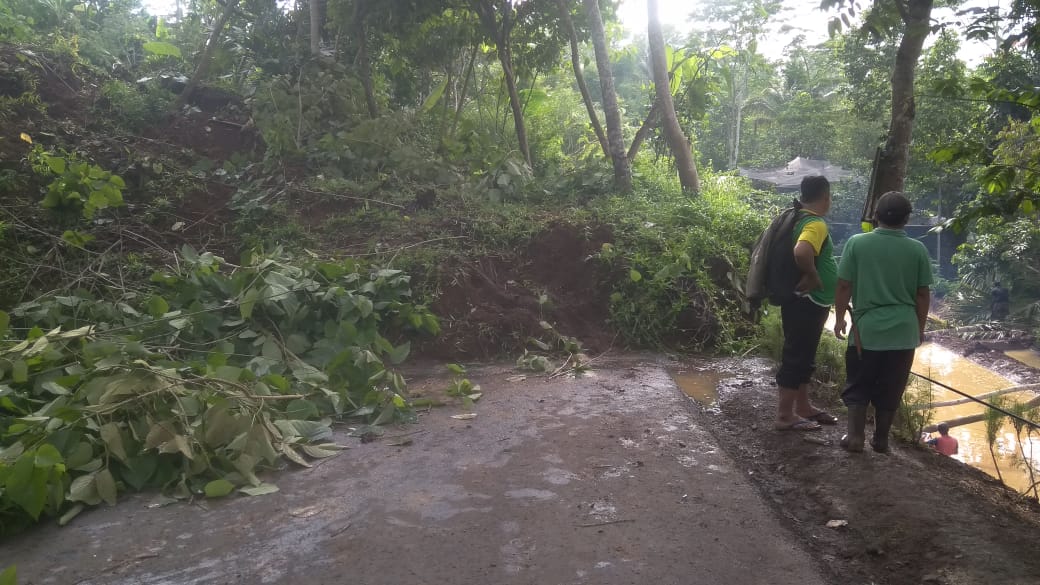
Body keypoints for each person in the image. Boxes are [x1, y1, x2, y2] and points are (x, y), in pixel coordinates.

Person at [834, 191, 933, 453]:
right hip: (903, 332)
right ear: (907, 219)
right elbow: (923, 295)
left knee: (859, 381)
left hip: (867, 331)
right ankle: (881, 440)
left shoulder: (857, 243)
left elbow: (844, 285)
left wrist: (840, 319)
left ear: (875, 216)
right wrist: (918, 329)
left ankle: (855, 437)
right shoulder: (917, 249)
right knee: (892, 384)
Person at [774, 175, 839, 431]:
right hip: (808, 300)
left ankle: (802, 406)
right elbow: (802, 251)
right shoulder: (815, 223)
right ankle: (784, 415)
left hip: (802, 300)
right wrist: (813, 276)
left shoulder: (796, 217)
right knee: (797, 354)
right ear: (825, 197)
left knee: (804, 353)